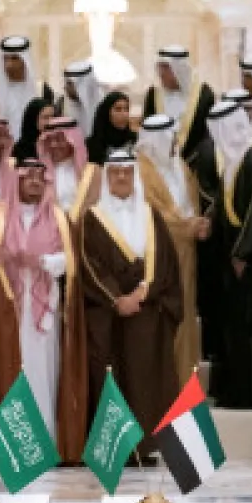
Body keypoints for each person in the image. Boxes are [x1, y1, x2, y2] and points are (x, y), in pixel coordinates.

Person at [0, 157, 86, 457]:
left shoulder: (58, 217)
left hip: (46, 310)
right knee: (9, 370)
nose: (34, 182)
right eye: (27, 177)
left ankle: (44, 441)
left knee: (44, 372)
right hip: (7, 310)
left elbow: (72, 261)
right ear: (15, 180)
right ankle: (11, 444)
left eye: (39, 178)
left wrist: (42, 262)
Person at [79, 150, 182, 452]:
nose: (121, 177)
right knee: (111, 379)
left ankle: (146, 446)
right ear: (107, 177)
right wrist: (117, 299)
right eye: (115, 172)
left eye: (126, 172)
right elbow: (89, 264)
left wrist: (142, 293)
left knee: (146, 380)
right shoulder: (92, 218)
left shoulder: (152, 216)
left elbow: (165, 263)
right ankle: (115, 448)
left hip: (146, 312)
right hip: (108, 315)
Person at [204, 100, 252, 408]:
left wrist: (242, 252)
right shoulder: (238, 158)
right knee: (238, 326)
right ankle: (240, 391)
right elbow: (226, 199)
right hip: (240, 257)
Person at [138, 114, 207, 382]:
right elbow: (152, 214)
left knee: (185, 315)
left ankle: (184, 384)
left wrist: (198, 224)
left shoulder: (180, 167)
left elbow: (190, 204)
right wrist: (189, 226)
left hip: (186, 255)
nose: (174, 143)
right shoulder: (141, 172)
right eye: (170, 138)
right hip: (159, 258)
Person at [141, 46, 215, 170]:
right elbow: (147, 132)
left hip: (195, 166)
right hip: (160, 167)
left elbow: (208, 136)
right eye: (160, 67)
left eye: (166, 67)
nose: (161, 73)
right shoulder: (153, 94)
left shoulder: (203, 95)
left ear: (180, 69)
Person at [0, 35, 53, 121]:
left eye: (14, 59)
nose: (9, 64)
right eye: (5, 59)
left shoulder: (42, 91)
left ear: (25, 61)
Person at [38, 117, 98, 217]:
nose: (53, 145)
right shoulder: (39, 174)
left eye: (59, 139)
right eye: (49, 140)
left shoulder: (91, 172)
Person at [86, 91, 135, 165]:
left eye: (126, 109)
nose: (124, 114)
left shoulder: (135, 140)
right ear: (106, 113)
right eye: (118, 109)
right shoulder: (92, 144)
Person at [61, 61, 103, 138]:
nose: (65, 87)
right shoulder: (61, 107)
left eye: (69, 83)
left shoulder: (105, 109)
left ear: (82, 86)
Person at [13, 97, 55, 161]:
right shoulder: (20, 149)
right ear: (33, 119)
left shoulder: (57, 145)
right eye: (46, 117)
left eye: (53, 117)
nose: (51, 121)